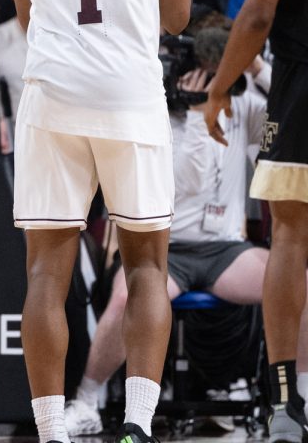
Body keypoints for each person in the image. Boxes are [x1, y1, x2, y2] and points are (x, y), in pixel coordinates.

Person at [4, 0, 191, 443]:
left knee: (45, 274)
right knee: (146, 266)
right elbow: (175, 17)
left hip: (52, 92)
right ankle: (137, 425)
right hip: (129, 96)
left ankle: (52, 431)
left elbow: (26, 18)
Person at [65, 26, 299, 435]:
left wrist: (253, 62)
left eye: (217, 66)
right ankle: (86, 398)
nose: (208, 74)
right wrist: (194, 111)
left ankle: (299, 396)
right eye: (201, 66)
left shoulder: (241, 105)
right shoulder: (153, 107)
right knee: (125, 300)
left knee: (298, 285)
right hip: (162, 251)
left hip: (225, 250)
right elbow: (184, 183)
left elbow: (288, 114)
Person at [203, 0, 308, 443]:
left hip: (303, 84)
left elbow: (259, 12)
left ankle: (283, 405)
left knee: (290, 243)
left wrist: (219, 86)